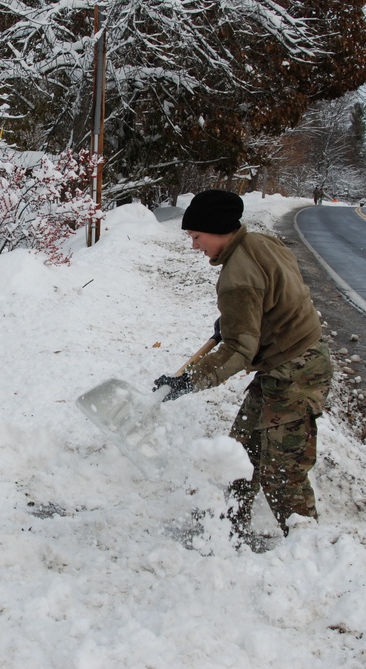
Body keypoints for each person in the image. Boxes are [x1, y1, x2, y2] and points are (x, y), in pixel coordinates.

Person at [152, 190, 332, 541]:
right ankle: (229, 528)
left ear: (217, 229)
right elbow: (281, 288)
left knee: (283, 473)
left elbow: (238, 351)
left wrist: (189, 380)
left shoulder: (237, 278)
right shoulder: (262, 242)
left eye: (196, 237)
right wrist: (247, 320)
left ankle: (309, 553)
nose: (194, 246)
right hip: (289, 363)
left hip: (295, 374)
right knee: (241, 455)